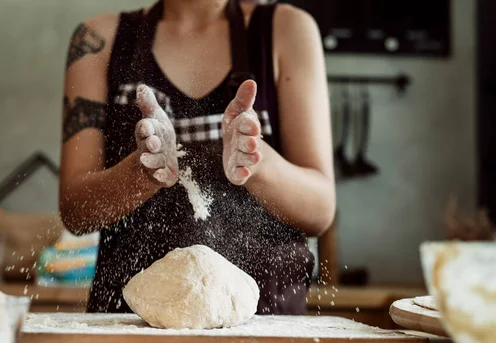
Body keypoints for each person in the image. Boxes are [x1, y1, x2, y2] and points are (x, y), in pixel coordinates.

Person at [59, 0, 335, 315]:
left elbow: (320, 211)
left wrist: (257, 164)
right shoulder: (100, 39)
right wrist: (140, 174)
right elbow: (76, 211)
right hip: (130, 326)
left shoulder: (285, 30)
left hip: (264, 331)